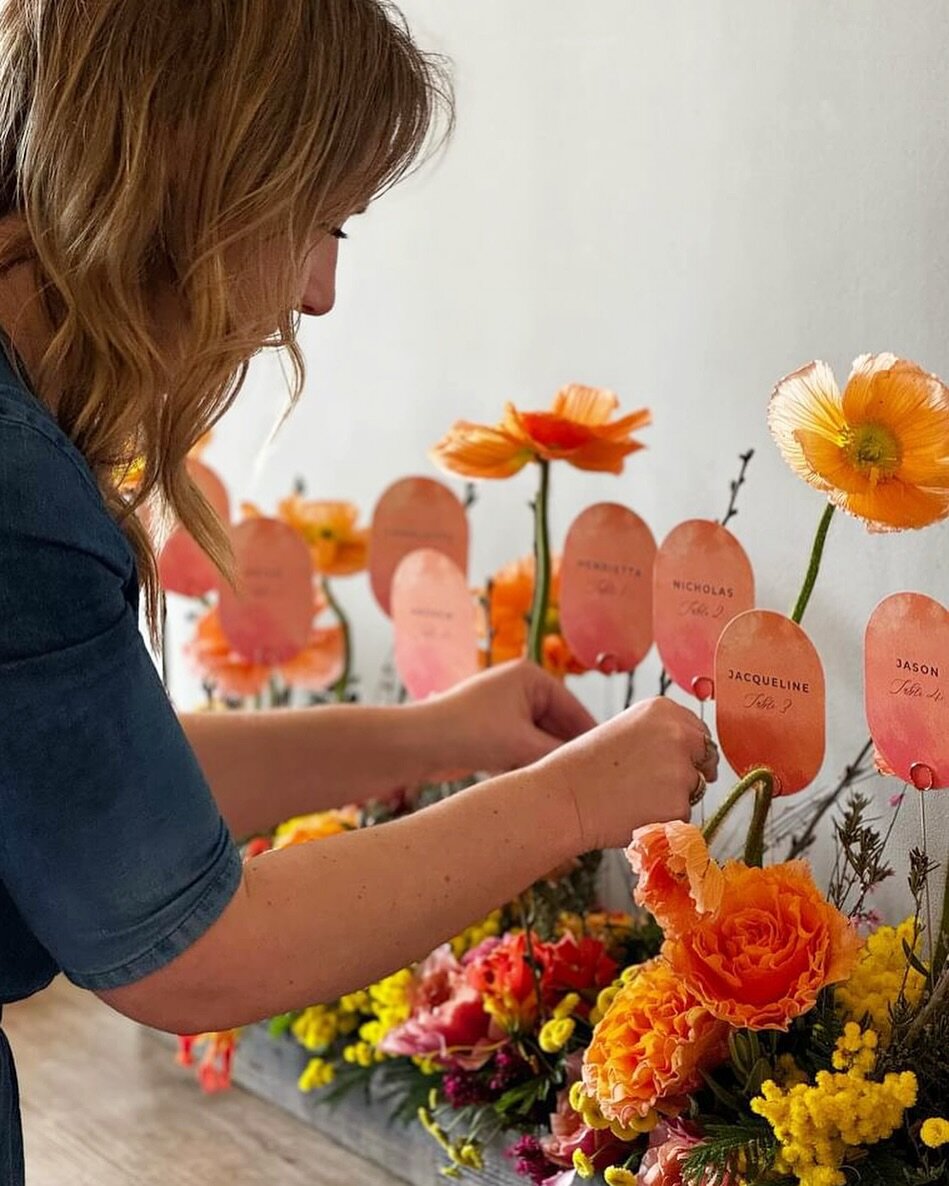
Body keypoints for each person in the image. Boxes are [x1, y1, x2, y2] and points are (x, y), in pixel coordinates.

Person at [0, 2, 718, 1180]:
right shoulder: (17, 484)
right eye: (319, 223)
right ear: (208, 174)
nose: (322, 290)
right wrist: (572, 802)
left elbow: (94, 783)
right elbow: (195, 954)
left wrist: (431, 736)